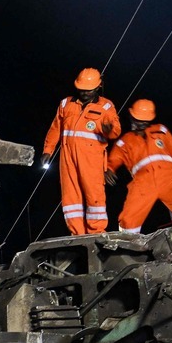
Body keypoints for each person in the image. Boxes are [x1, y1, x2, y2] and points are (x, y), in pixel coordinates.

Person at [106, 99, 172, 233]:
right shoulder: (124, 141)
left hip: (169, 176)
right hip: (143, 181)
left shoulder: (161, 130)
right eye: (138, 120)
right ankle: (127, 241)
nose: (141, 124)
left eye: (144, 121)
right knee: (130, 215)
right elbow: (113, 159)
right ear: (131, 116)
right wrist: (108, 169)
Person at [42, 67, 121, 235]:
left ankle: (97, 231)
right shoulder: (66, 104)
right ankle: (77, 234)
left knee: (94, 195)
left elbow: (115, 131)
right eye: (81, 89)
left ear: (98, 87)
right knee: (71, 198)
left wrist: (108, 129)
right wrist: (48, 150)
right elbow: (55, 128)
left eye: (88, 90)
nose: (84, 93)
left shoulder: (106, 106)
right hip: (67, 157)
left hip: (92, 158)